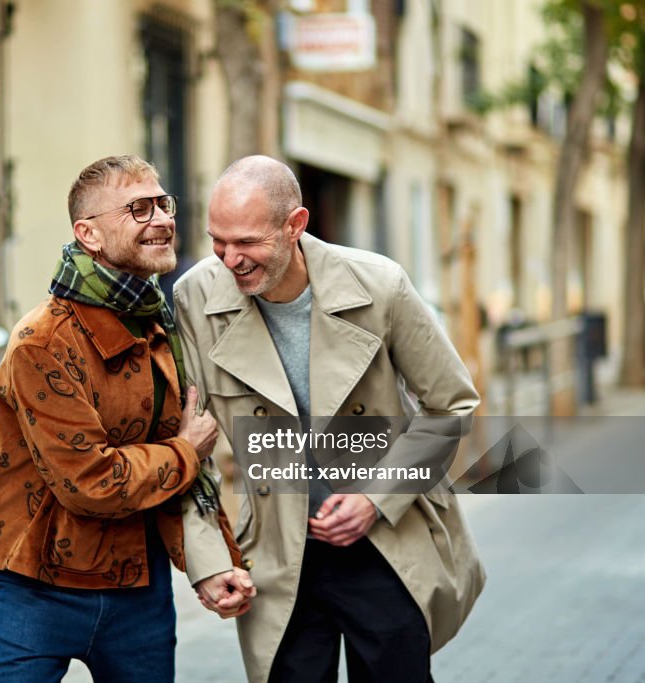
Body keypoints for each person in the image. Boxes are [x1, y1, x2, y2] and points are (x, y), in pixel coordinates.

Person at [175, 155, 486, 682]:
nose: (230, 259)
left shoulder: (379, 286)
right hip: (276, 556)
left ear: (295, 225)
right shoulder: (195, 296)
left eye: (247, 242)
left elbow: (451, 406)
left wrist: (375, 498)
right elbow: (190, 446)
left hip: (385, 545)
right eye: (217, 240)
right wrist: (208, 560)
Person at [0, 154, 243, 683]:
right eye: (138, 209)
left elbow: (184, 478)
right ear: (88, 235)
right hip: (37, 589)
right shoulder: (42, 342)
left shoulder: (157, 324)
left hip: (139, 591)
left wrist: (217, 562)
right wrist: (186, 450)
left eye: (164, 204)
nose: (162, 219)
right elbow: (90, 482)